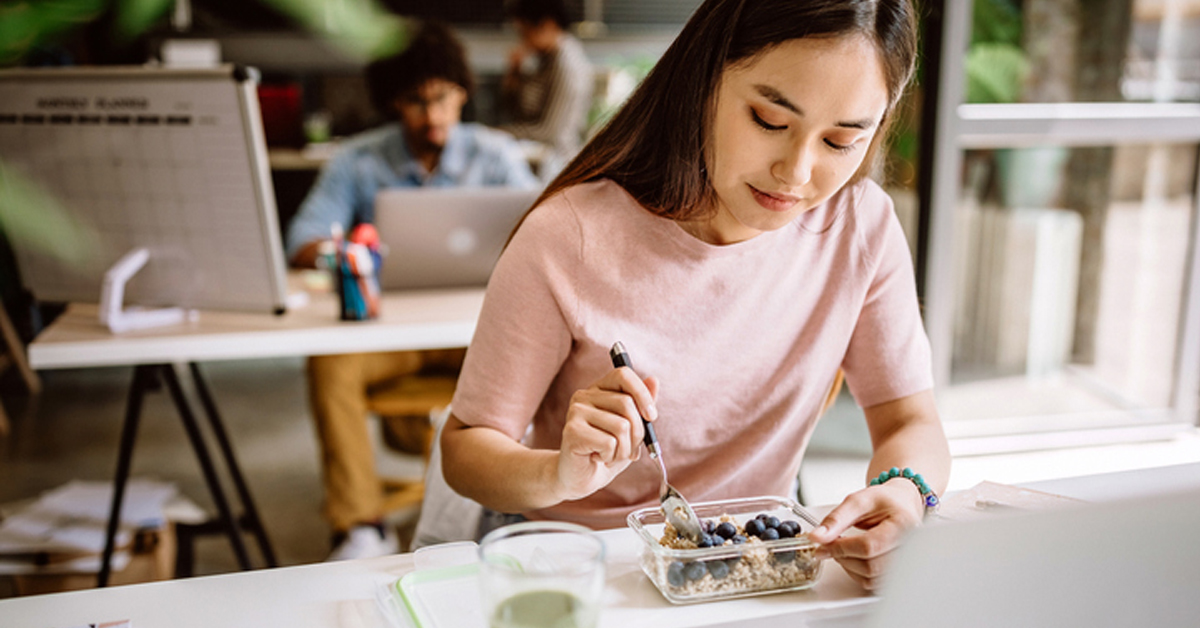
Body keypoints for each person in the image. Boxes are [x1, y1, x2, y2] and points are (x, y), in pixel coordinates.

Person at [440, 0, 951, 591]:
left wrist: (906, 493)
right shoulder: (569, 234)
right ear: (705, 79)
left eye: (841, 141)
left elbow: (911, 420)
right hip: (577, 565)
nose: (796, 172)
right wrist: (559, 473)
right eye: (768, 120)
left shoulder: (861, 226)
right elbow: (466, 450)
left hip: (753, 567)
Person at [285, 20, 539, 561]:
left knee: (540, 356)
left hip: (475, 335)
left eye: (443, 98)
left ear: (463, 93)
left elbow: (548, 230)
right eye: (415, 102)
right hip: (389, 336)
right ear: (392, 102)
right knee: (329, 362)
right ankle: (358, 528)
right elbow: (302, 241)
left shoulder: (495, 156)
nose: (432, 116)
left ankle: (509, 510)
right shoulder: (357, 160)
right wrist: (348, 251)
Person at [500, 0, 594, 179]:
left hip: (555, 164)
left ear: (547, 25)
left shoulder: (566, 64)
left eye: (525, 32)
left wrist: (498, 132)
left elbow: (551, 133)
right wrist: (514, 74)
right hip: (534, 153)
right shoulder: (545, 59)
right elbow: (515, 110)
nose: (522, 40)